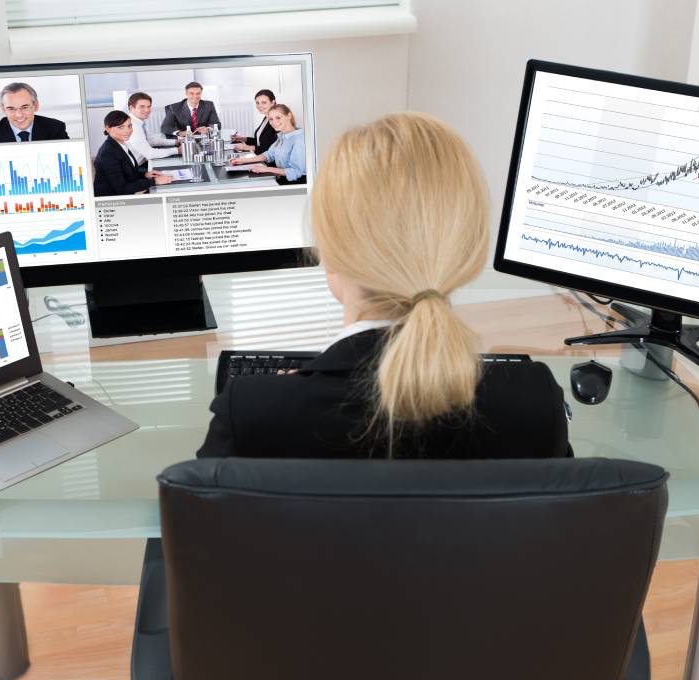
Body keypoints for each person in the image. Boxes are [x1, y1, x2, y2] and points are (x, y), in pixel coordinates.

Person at [199, 112, 571, 458]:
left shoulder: (253, 412)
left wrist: (289, 395)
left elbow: (192, 523)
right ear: (466, 246)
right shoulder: (536, 403)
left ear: (329, 251)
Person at [92, 110, 173, 197]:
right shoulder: (108, 153)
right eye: (121, 127)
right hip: (113, 199)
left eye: (129, 126)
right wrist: (155, 181)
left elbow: (126, 172)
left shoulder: (121, 143)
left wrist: (144, 174)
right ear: (108, 128)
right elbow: (122, 188)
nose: (128, 131)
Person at [227, 104, 306, 185]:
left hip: (296, 183)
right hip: (281, 177)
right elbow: (268, 155)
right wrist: (242, 161)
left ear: (289, 116)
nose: (274, 122)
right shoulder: (282, 136)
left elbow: (296, 172)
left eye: (278, 118)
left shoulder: (299, 139)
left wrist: (266, 169)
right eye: (271, 119)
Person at [0, 82, 69, 144]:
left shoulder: (55, 128)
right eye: (11, 109)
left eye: (24, 107)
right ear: (3, 109)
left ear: (36, 105)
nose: (19, 115)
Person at [125, 91, 178, 164]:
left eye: (148, 106)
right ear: (131, 108)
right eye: (142, 106)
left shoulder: (138, 122)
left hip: (143, 161)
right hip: (136, 169)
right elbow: (150, 154)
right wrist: (177, 150)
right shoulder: (132, 126)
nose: (147, 110)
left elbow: (152, 141)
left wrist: (176, 142)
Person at [231, 89, 279, 155]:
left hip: (268, 162)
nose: (259, 106)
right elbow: (260, 141)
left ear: (273, 102)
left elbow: (269, 148)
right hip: (260, 156)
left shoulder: (276, 121)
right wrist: (243, 139)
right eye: (257, 103)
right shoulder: (266, 118)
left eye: (264, 102)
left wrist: (247, 147)